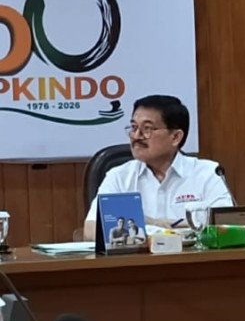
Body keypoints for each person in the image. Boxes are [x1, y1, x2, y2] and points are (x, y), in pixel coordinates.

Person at [83, 95, 233, 241]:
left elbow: (226, 226)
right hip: (138, 257)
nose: (136, 136)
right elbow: (90, 230)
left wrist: (148, 225)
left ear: (175, 137)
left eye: (147, 128)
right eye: (134, 127)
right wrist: (157, 226)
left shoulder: (207, 173)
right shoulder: (119, 177)